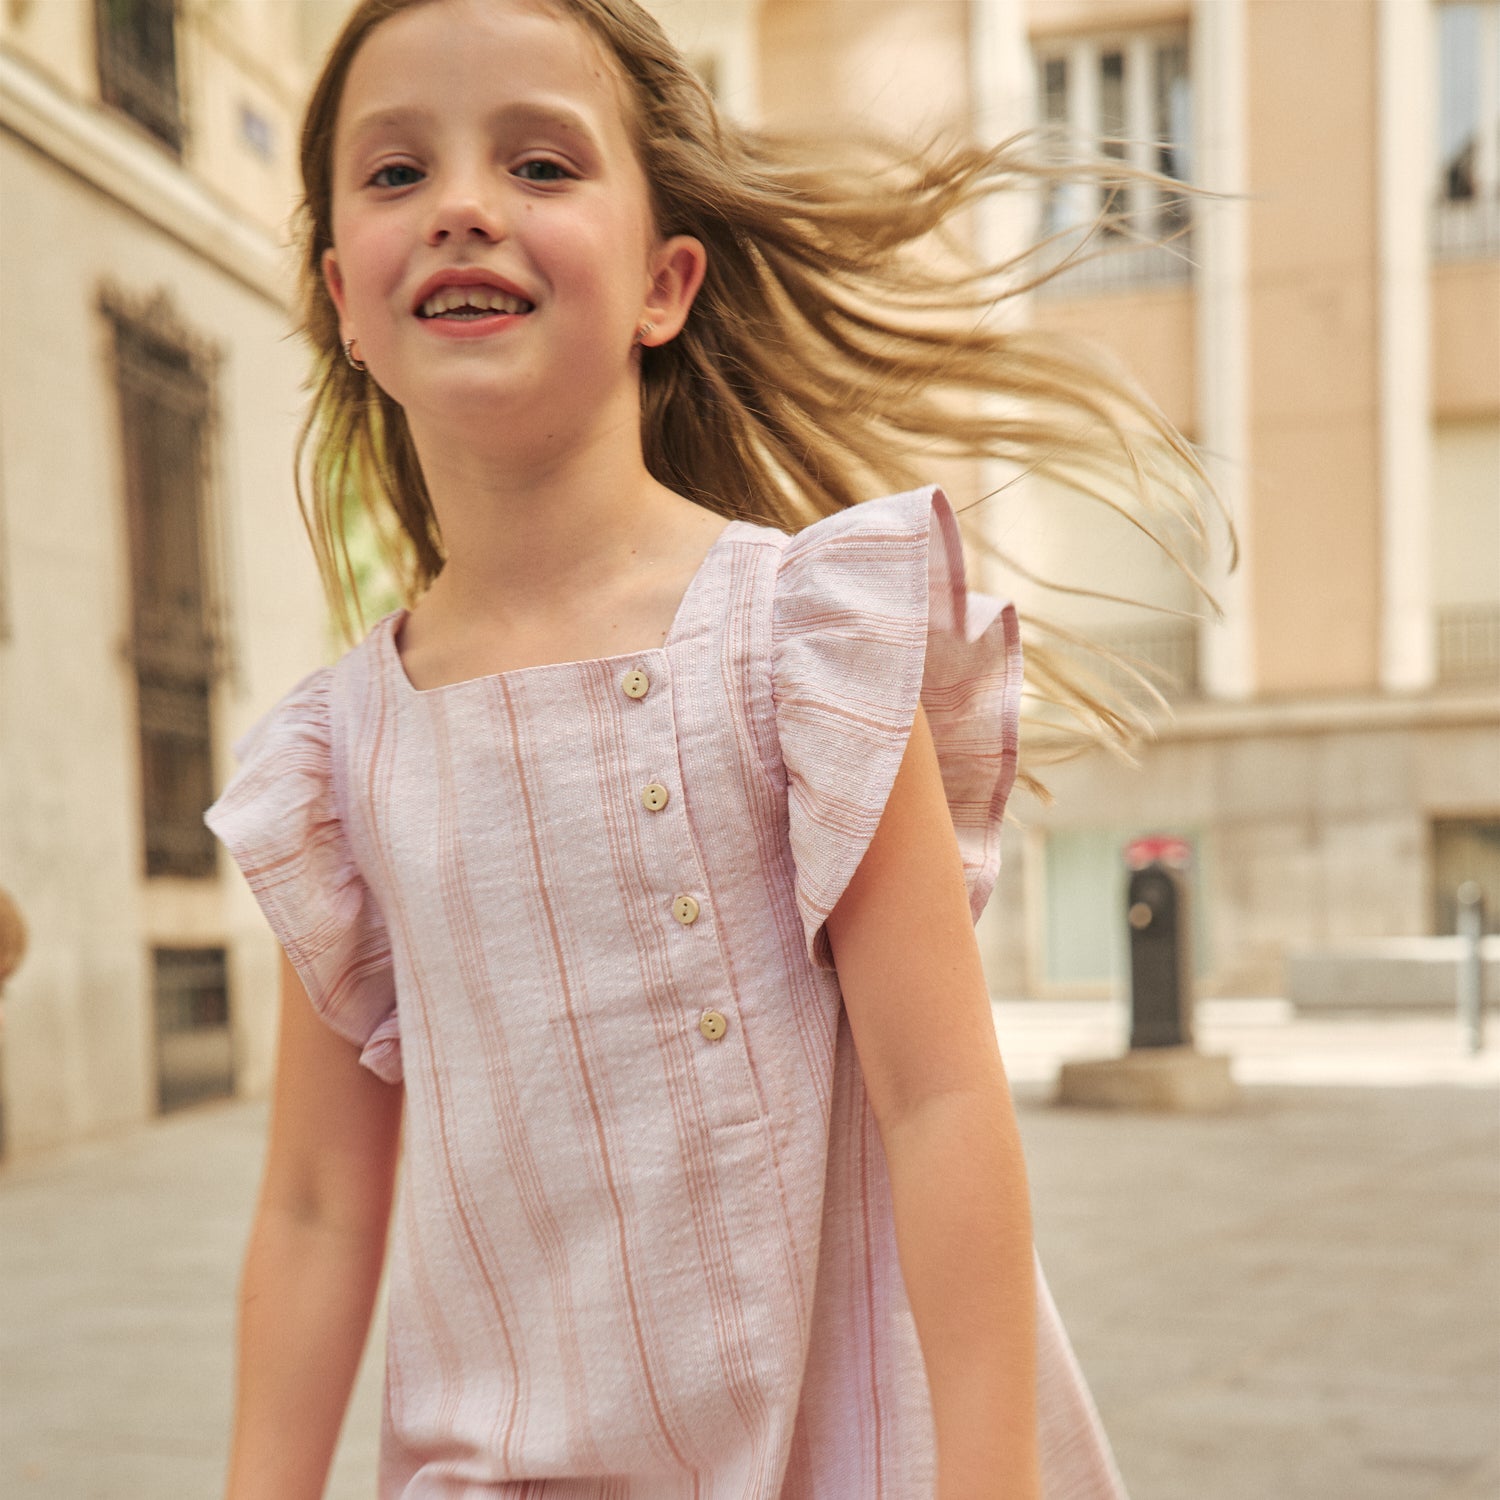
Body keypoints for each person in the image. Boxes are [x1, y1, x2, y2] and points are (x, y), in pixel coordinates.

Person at [204, 1, 1217, 1495]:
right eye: (397, 172)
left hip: (841, 1452)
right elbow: (309, 1208)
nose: (467, 206)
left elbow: (941, 1101)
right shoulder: (334, 758)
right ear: (341, 295)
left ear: (664, 284)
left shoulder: (804, 639)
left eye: (542, 165)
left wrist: (990, 1476)